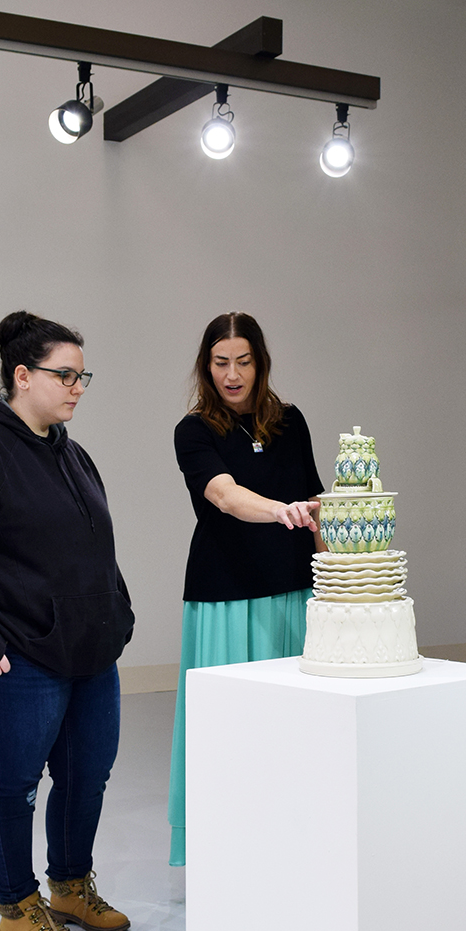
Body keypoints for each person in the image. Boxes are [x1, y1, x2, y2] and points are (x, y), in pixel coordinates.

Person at [0, 311, 134, 931]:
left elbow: (96, 547)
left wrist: (116, 615)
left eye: (82, 376)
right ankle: (16, 906)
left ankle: (69, 887)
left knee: (86, 776)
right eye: (64, 375)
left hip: (90, 653)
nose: (76, 387)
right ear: (21, 375)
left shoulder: (73, 455)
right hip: (15, 659)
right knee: (13, 785)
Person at [167, 311, 326, 866]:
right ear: (205, 367)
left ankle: (292, 848)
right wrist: (282, 511)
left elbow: (317, 503)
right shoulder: (194, 431)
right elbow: (226, 496)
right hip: (226, 598)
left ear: (260, 364)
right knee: (232, 738)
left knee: (297, 732)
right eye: (220, 363)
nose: (232, 375)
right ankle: (227, 855)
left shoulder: (291, 421)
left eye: (243, 362)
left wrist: (334, 583)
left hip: (294, 593)